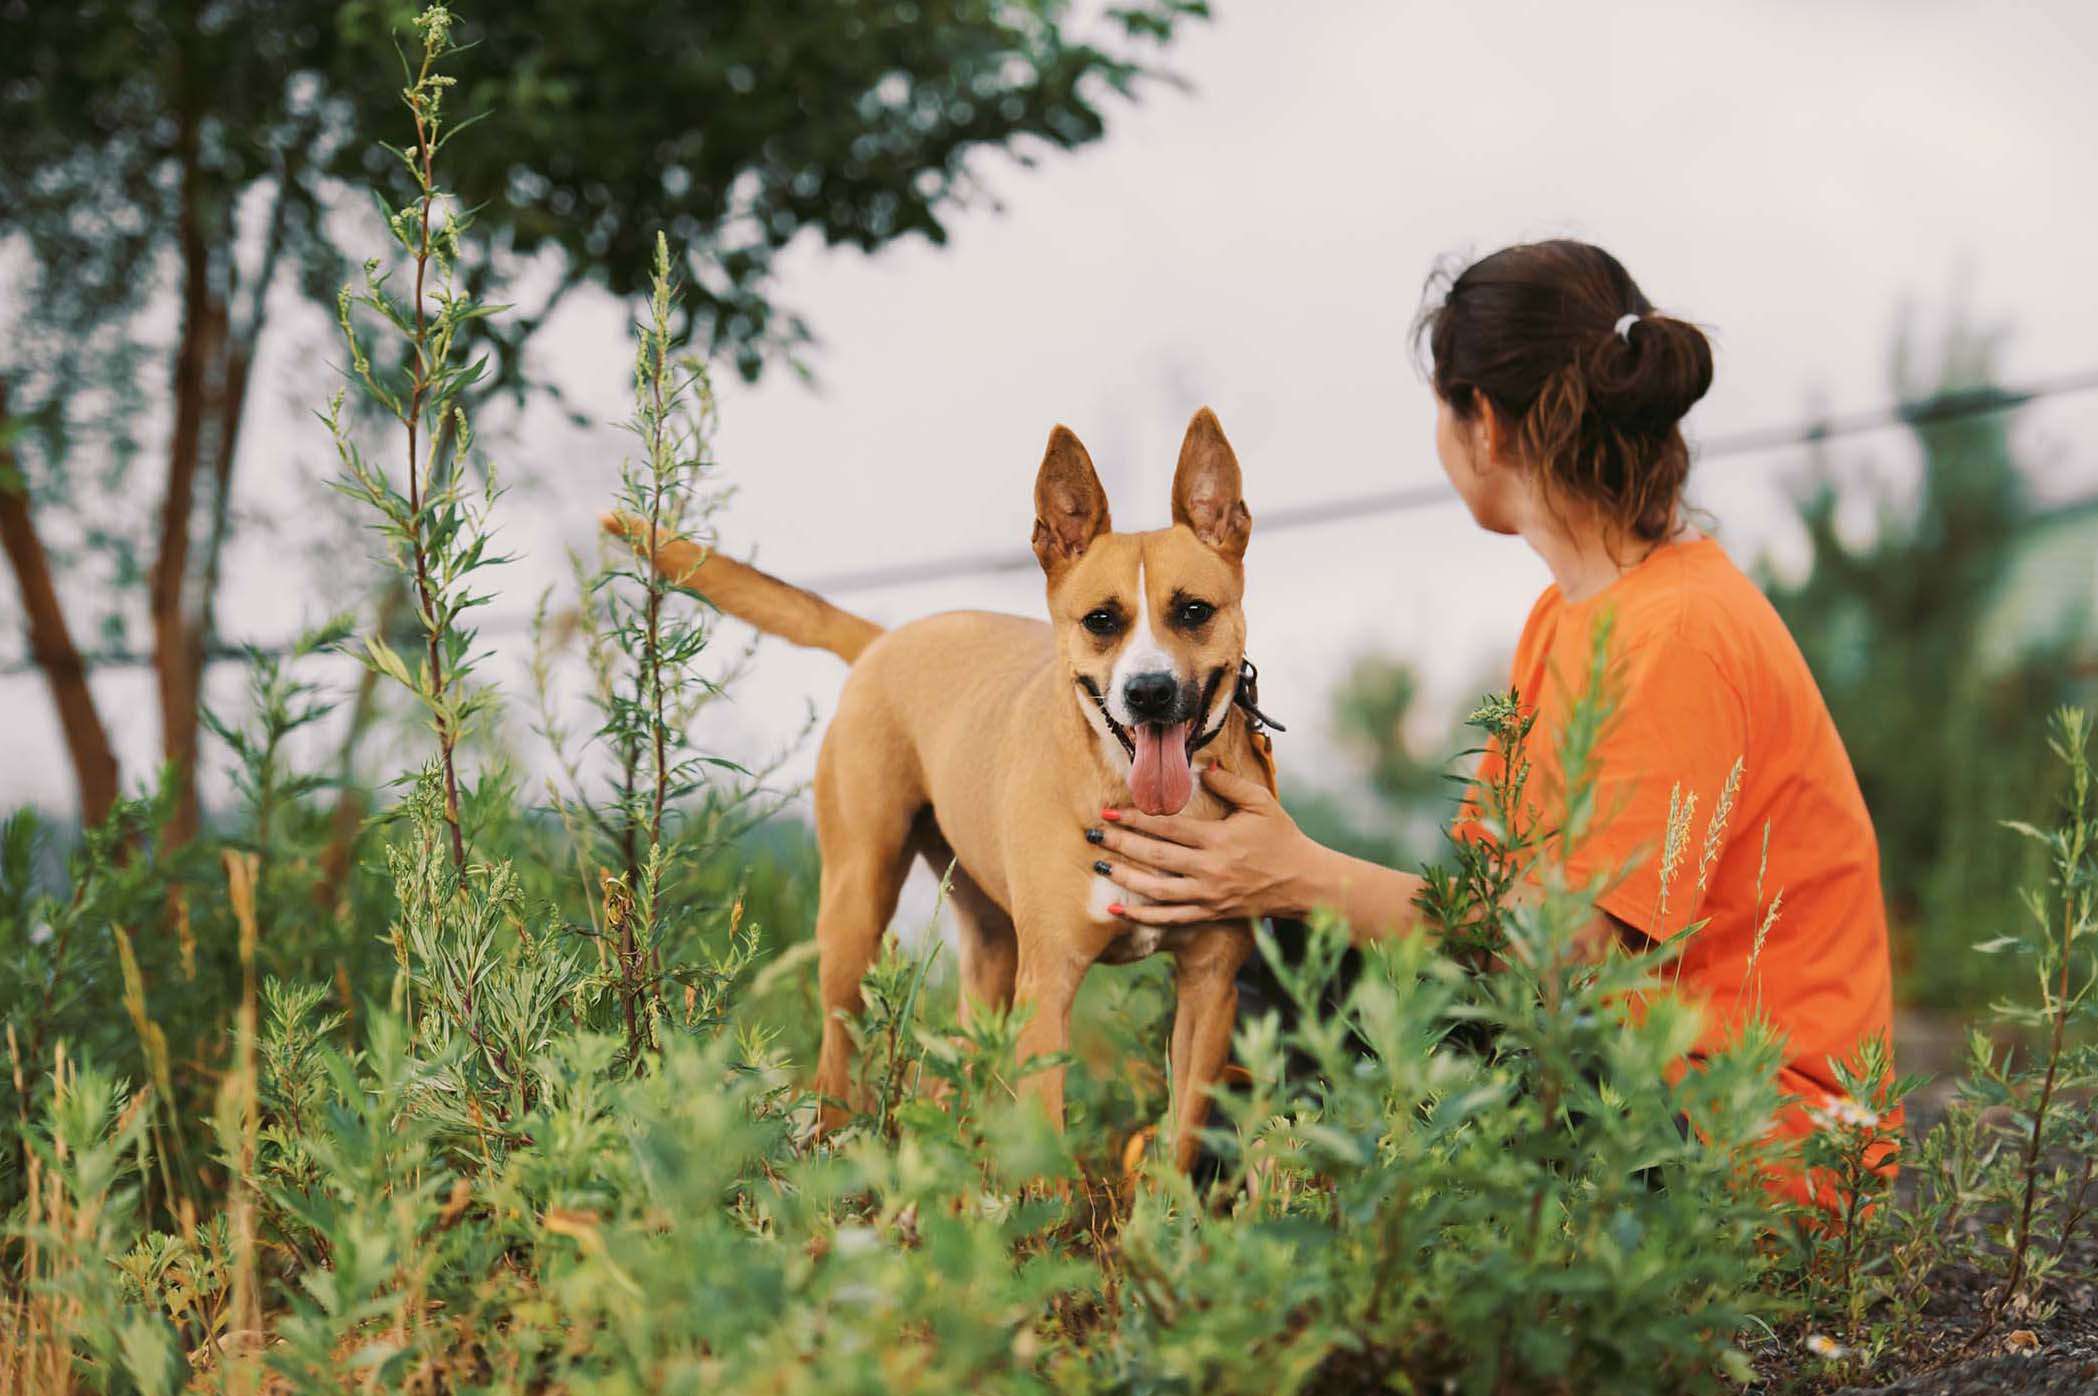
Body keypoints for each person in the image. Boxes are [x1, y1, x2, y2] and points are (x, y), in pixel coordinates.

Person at [1086, 239, 1896, 1182]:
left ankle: (1237, 1175)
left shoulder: (1681, 634)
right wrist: (1268, 870)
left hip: (1744, 1147)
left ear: (1485, 425)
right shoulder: (1571, 615)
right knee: (1293, 946)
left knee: (1302, 924)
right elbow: (1474, 910)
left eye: (1441, 405)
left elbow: (1572, 956)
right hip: (1616, 1075)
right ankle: (1230, 1166)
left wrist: (1298, 873)